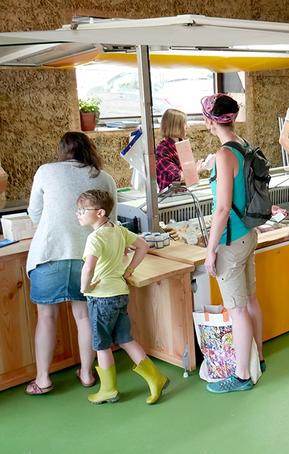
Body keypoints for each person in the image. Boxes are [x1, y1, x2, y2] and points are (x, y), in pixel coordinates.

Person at [24, 132, 117, 396]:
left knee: (46, 316)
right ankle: (87, 374)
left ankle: (43, 379)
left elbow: (35, 213)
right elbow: (111, 222)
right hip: (87, 258)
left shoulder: (46, 171)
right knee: (84, 315)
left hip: (49, 254)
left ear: (63, 151)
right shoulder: (105, 178)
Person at [77, 189, 169, 405]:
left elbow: (88, 268)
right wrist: (129, 270)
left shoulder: (94, 238)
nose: (78, 214)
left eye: (82, 210)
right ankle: (156, 378)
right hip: (119, 293)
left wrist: (84, 287)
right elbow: (142, 246)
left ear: (100, 213)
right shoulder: (118, 230)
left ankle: (108, 390)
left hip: (101, 298)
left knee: (101, 345)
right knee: (126, 339)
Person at [201, 94, 265, 393]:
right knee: (251, 300)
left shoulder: (224, 154)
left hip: (231, 239)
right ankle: (258, 358)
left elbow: (223, 208)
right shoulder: (243, 145)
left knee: (237, 310)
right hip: (248, 234)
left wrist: (210, 249)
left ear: (210, 121)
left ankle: (241, 376)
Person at [155, 109, 188, 191]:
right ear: (175, 126)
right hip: (170, 194)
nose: (187, 127)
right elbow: (178, 177)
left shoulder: (182, 143)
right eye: (184, 124)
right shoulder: (162, 150)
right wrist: (200, 169)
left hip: (185, 190)